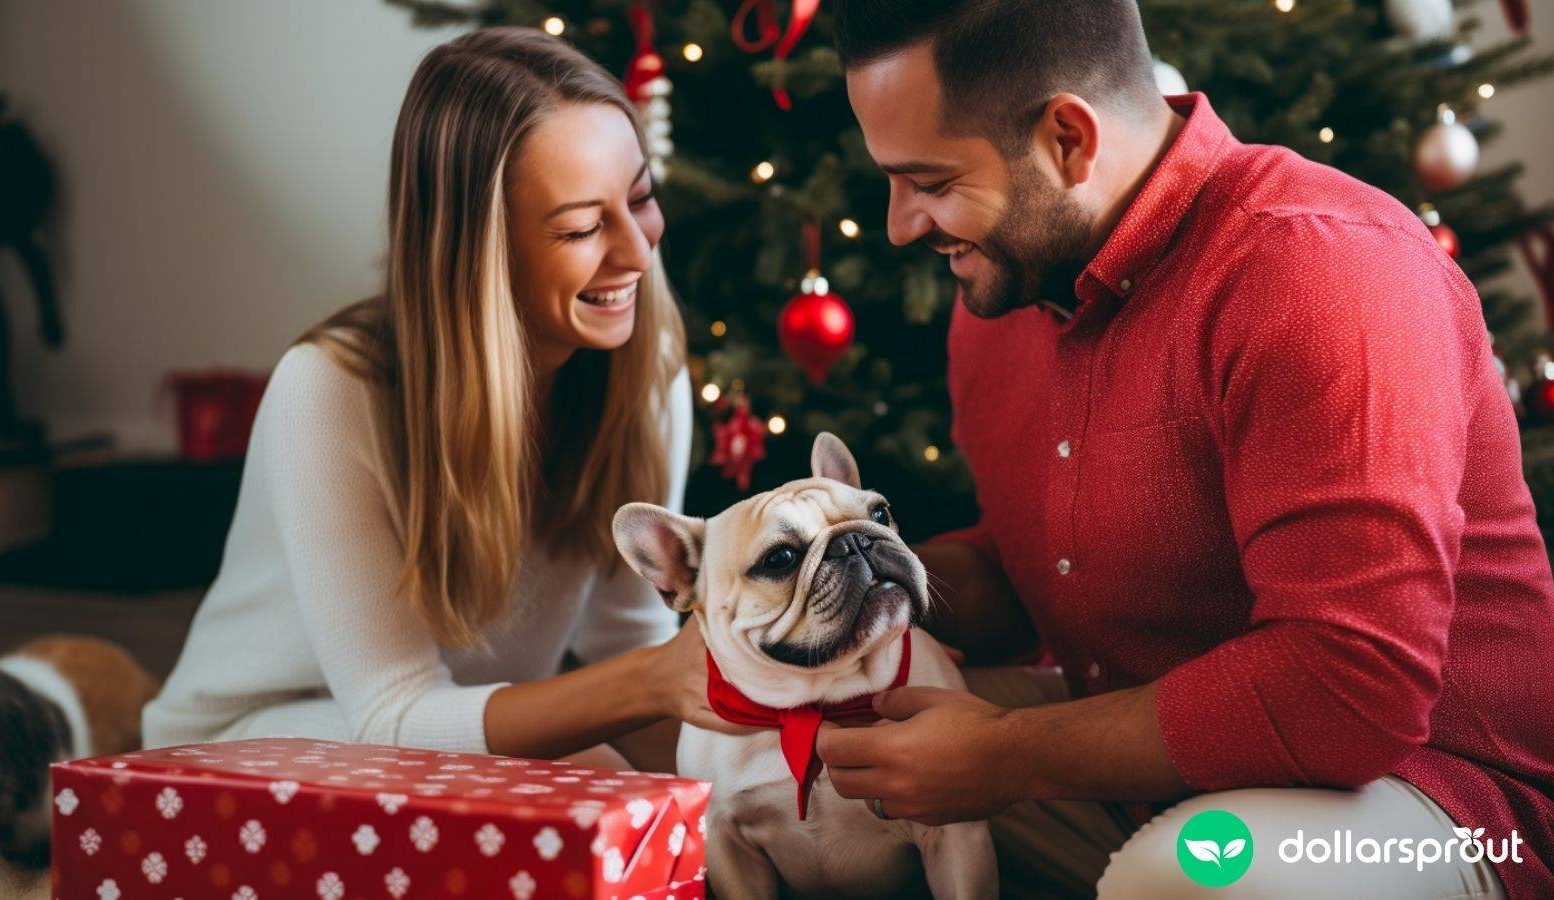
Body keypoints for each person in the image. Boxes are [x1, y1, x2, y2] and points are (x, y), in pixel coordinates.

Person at [815, 2, 1554, 897]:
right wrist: (855, 572)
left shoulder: (1321, 271)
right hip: (1152, 761)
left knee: (1191, 877)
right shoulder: (1005, 298)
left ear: (1067, 140)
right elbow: (1046, 576)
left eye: (928, 180)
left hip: (1432, 793)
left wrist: (1007, 755)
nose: (900, 225)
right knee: (798, 760)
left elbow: (1350, 693)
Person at [144, 28, 736, 771]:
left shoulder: (646, 375)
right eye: (583, 226)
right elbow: (392, 714)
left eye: (641, 199)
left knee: (644, 784)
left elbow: (633, 644)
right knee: (597, 769)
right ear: (481, 250)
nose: (638, 251)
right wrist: (651, 684)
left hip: (445, 737)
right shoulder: (327, 390)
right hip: (240, 746)